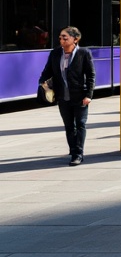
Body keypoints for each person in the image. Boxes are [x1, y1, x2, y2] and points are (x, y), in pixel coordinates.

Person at [38, 26, 95, 166]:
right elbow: (47, 71)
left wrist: (89, 95)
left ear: (75, 39)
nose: (61, 40)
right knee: (69, 126)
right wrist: (42, 82)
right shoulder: (55, 53)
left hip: (80, 96)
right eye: (60, 37)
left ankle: (78, 154)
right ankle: (74, 148)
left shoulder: (84, 53)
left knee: (80, 124)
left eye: (65, 37)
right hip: (63, 96)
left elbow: (91, 76)